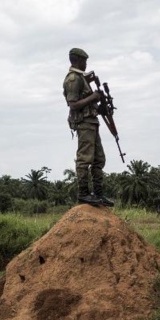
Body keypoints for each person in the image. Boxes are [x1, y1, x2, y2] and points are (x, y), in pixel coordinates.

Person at [63, 48, 113, 207]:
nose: (86, 64)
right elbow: (73, 104)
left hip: (92, 122)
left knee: (99, 159)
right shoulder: (73, 79)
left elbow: (87, 104)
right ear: (77, 60)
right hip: (84, 123)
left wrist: (100, 108)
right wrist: (94, 96)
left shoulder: (82, 78)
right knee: (85, 158)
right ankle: (83, 194)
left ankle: (98, 194)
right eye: (84, 61)